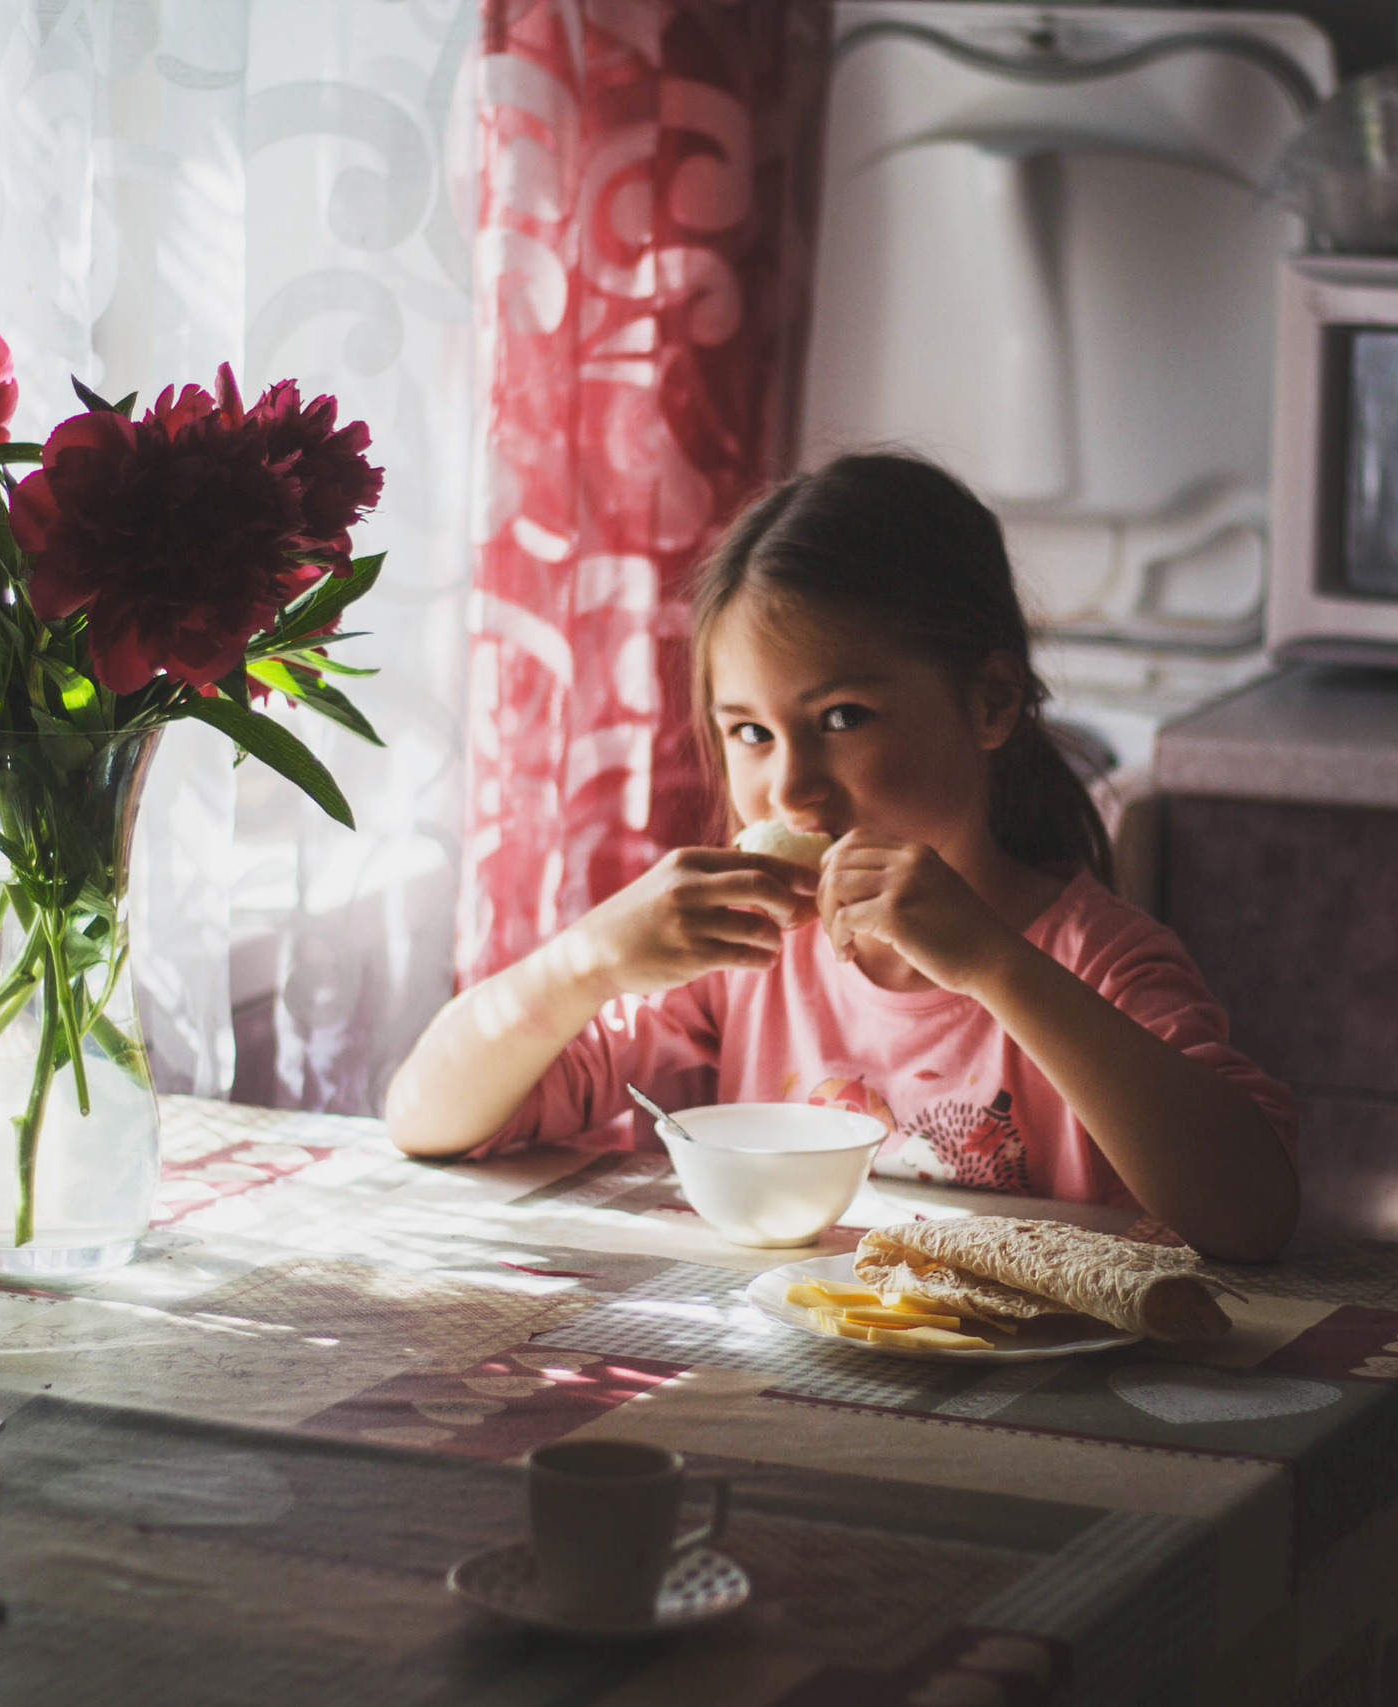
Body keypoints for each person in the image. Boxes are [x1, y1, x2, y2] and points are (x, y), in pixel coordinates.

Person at [386, 454, 1299, 1261]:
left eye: (841, 718)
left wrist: (992, 965)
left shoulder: (1093, 961)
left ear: (990, 701)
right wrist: (587, 960)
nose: (790, 787)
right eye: (750, 732)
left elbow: (1253, 1215)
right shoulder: (745, 956)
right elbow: (427, 1119)